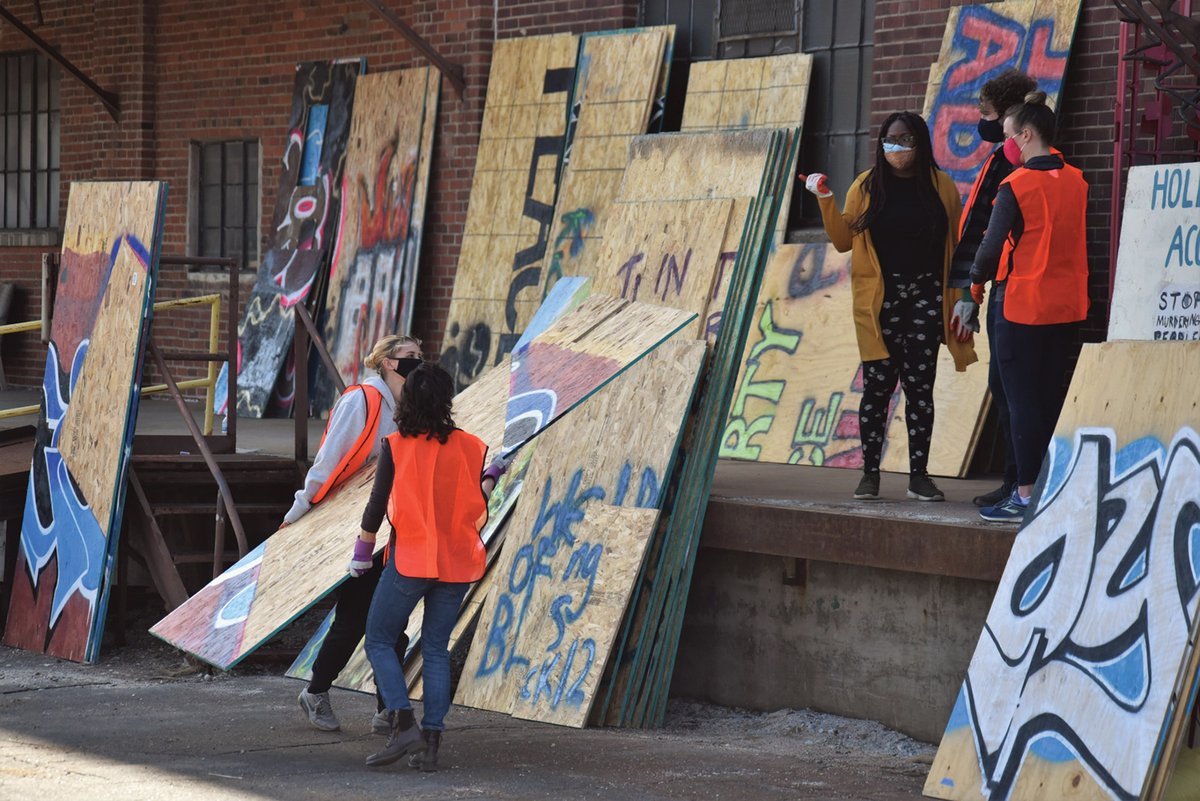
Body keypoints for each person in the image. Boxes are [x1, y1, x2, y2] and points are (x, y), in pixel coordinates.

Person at [804, 112, 975, 502]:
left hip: (927, 297)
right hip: (880, 301)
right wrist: (825, 199)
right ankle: (869, 474)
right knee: (877, 390)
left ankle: (919, 476)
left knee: (920, 389)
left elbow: (956, 244)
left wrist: (964, 298)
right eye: (890, 139)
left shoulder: (941, 187)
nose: (896, 147)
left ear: (920, 143)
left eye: (905, 139)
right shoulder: (866, 186)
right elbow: (844, 240)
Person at [354, 362, 505, 772]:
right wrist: (492, 474)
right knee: (436, 649)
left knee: (379, 640)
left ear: (408, 399)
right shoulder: (472, 447)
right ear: (447, 400)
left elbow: (375, 507)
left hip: (411, 561)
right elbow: (478, 502)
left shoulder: (396, 445)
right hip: (457, 563)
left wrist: (361, 553)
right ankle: (431, 742)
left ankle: (404, 724)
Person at [291, 334, 424, 734]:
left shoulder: (413, 407)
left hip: (394, 528)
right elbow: (329, 461)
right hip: (355, 530)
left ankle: (388, 709)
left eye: (420, 356)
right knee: (353, 620)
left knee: (391, 622)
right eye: (409, 357)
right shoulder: (362, 401)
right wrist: (301, 508)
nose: (417, 362)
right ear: (386, 362)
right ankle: (316, 692)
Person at [969, 91, 1089, 523]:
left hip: (1021, 306)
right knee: (1047, 397)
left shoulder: (1015, 184)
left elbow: (990, 248)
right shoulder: (1077, 180)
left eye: (1007, 136)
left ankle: (1023, 495)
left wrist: (975, 283)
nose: (1006, 145)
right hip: (1067, 307)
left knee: (1020, 401)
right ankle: (1051, 488)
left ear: (1025, 134)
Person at [947, 70, 1039, 508]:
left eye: (986, 114)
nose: (981, 123)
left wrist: (971, 289)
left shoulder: (1018, 164)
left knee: (1013, 391)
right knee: (1005, 389)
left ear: (1008, 116)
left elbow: (990, 232)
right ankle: (1014, 482)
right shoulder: (1005, 159)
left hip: (1012, 287)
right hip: (999, 283)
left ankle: (1021, 486)